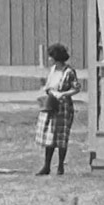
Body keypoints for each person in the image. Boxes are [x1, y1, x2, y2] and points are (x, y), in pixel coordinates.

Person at [35, 42, 81, 176]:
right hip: (51, 104)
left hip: (64, 107)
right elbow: (49, 85)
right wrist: (48, 90)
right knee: (50, 136)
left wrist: (63, 94)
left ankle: (60, 166)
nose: (49, 59)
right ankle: (47, 166)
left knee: (61, 137)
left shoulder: (69, 72)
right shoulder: (53, 70)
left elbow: (76, 88)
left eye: (51, 56)